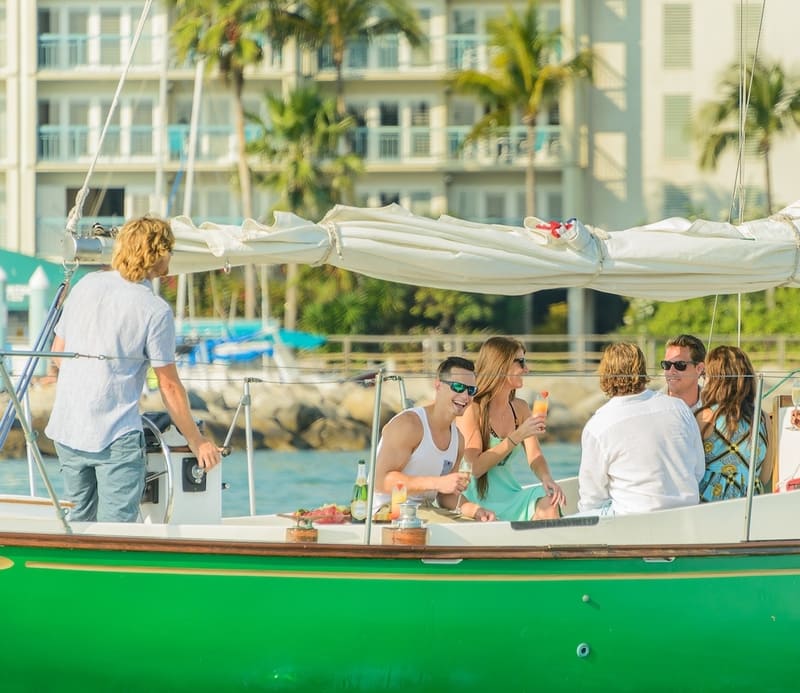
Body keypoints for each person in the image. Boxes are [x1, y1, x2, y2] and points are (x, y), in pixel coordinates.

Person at [45, 216, 221, 522]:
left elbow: (58, 354)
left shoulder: (85, 285)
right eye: (169, 250)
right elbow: (168, 386)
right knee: (116, 531)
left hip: (68, 428)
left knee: (78, 524)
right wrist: (197, 440)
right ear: (158, 254)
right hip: (114, 434)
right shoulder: (154, 310)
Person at [577, 342, 704, 515]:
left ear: (605, 374)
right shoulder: (679, 408)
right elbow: (698, 470)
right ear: (642, 369)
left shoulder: (597, 426)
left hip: (634, 520)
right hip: (687, 514)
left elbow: (592, 498)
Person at [373, 356, 495, 522]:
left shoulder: (458, 439)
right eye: (458, 387)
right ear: (438, 385)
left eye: (471, 390)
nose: (465, 396)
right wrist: (437, 483)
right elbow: (380, 482)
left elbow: (446, 497)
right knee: (460, 530)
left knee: (486, 526)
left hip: (424, 511)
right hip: (388, 510)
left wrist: (475, 510)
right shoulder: (409, 425)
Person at [456, 336, 564, 521]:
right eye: (520, 362)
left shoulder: (520, 408)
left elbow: (535, 455)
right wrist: (517, 435)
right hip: (475, 500)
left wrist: (546, 478)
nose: (526, 369)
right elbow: (475, 468)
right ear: (501, 365)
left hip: (512, 496)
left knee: (550, 502)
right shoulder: (472, 409)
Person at [695, 345, 773, 501]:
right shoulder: (762, 418)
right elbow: (765, 476)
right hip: (752, 502)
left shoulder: (705, 417)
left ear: (716, 379)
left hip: (711, 503)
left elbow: (691, 470)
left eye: (706, 375)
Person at [662, 334, 706, 412]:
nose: (671, 371)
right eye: (666, 364)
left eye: (680, 365)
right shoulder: (651, 405)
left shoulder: (716, 408)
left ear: (699, 368)